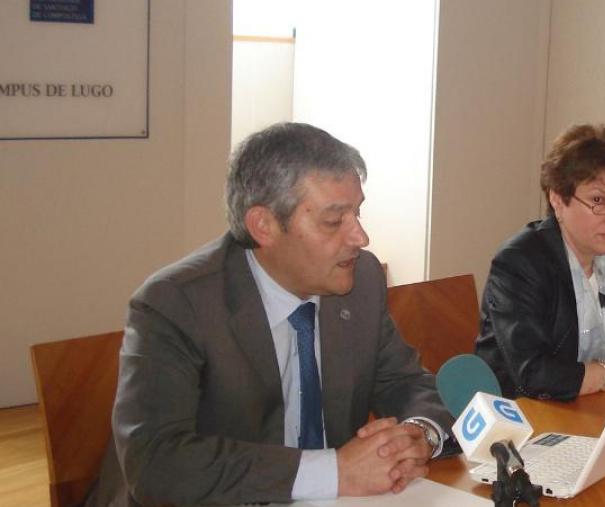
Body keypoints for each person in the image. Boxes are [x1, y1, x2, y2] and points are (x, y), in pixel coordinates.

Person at [85, 123, 454, 507]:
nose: (360, 238)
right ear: (263, 225)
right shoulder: (175, 303)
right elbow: (157, 463)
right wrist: (333, 472)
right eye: (333, 220)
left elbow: (407, 383)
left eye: (357, 213)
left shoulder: (360, 279)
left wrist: (419, 434)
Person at [474, 123, 605, 401]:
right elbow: (534, 375)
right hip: (525, 418)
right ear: (558, 199)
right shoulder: (519, 262)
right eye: (598, 200)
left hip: (593, 406)